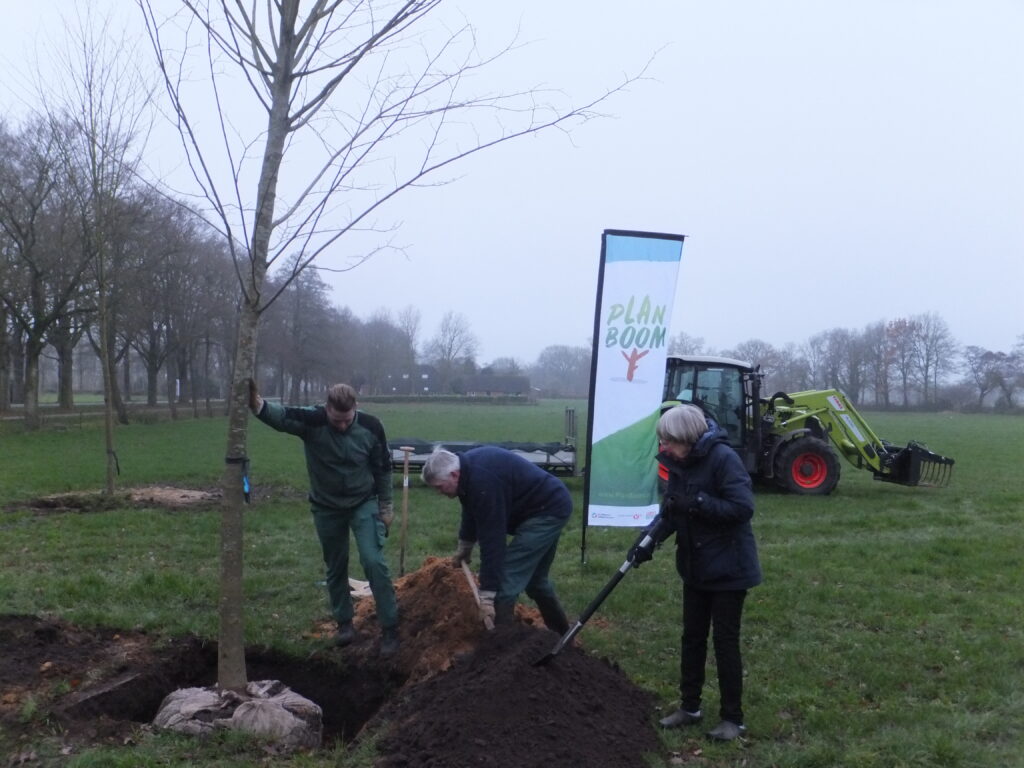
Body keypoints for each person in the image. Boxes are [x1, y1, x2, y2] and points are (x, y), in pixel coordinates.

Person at [248, 380, 400, 657]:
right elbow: (281, 417)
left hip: (363, 502)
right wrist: (256, 404)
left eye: (347, 420)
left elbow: (383, 468)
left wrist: (386, 507)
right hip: (326, 506)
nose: (341, 426)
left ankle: (390, 627)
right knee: (335, 564)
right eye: (336, 420)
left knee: (373, 561)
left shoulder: (371, 427)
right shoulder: (312, 420)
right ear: (326, 408)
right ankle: (344, 623)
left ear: (355, 409)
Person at [639, 403, 761, 742]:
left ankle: (732, 719)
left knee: (725, 643)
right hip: (695, 566)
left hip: (729, 569)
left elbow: (742, 508)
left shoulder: (723, 459)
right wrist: (646, 541)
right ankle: (689, 707)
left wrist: (699, 503)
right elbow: (671, 510)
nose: (664, 448)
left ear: (689, 438)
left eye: (669, 441)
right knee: (691, 638)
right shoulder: (680, 462)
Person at [422, 446, 572, 633]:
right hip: (545, 505)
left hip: (546, 512)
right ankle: (563, 636)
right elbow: (471, 509)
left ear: (454, 475)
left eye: (439, 486)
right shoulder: (467, 471)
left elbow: (492, 541)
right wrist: (465, 546)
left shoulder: (483, 481)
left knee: (506, 579)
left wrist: (487, 596)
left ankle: (501, 644)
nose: (439, 492)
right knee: (536, 582)